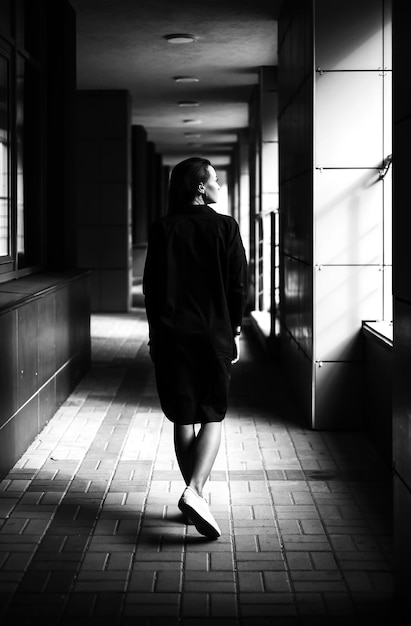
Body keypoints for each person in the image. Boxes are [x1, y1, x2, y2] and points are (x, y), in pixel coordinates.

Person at [143, 157, 247, 539]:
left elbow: (151, 288)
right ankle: (195, 492)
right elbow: (237, 284)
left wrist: (155, 335)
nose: (220, 186)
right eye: (215, 180)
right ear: (200, 187)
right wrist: (235, 328)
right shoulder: (225, 227)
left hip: (172, 336)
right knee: (213, 414)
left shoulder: (163, 228)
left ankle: (194, 497)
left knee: (183, 416)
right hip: (214, 334)